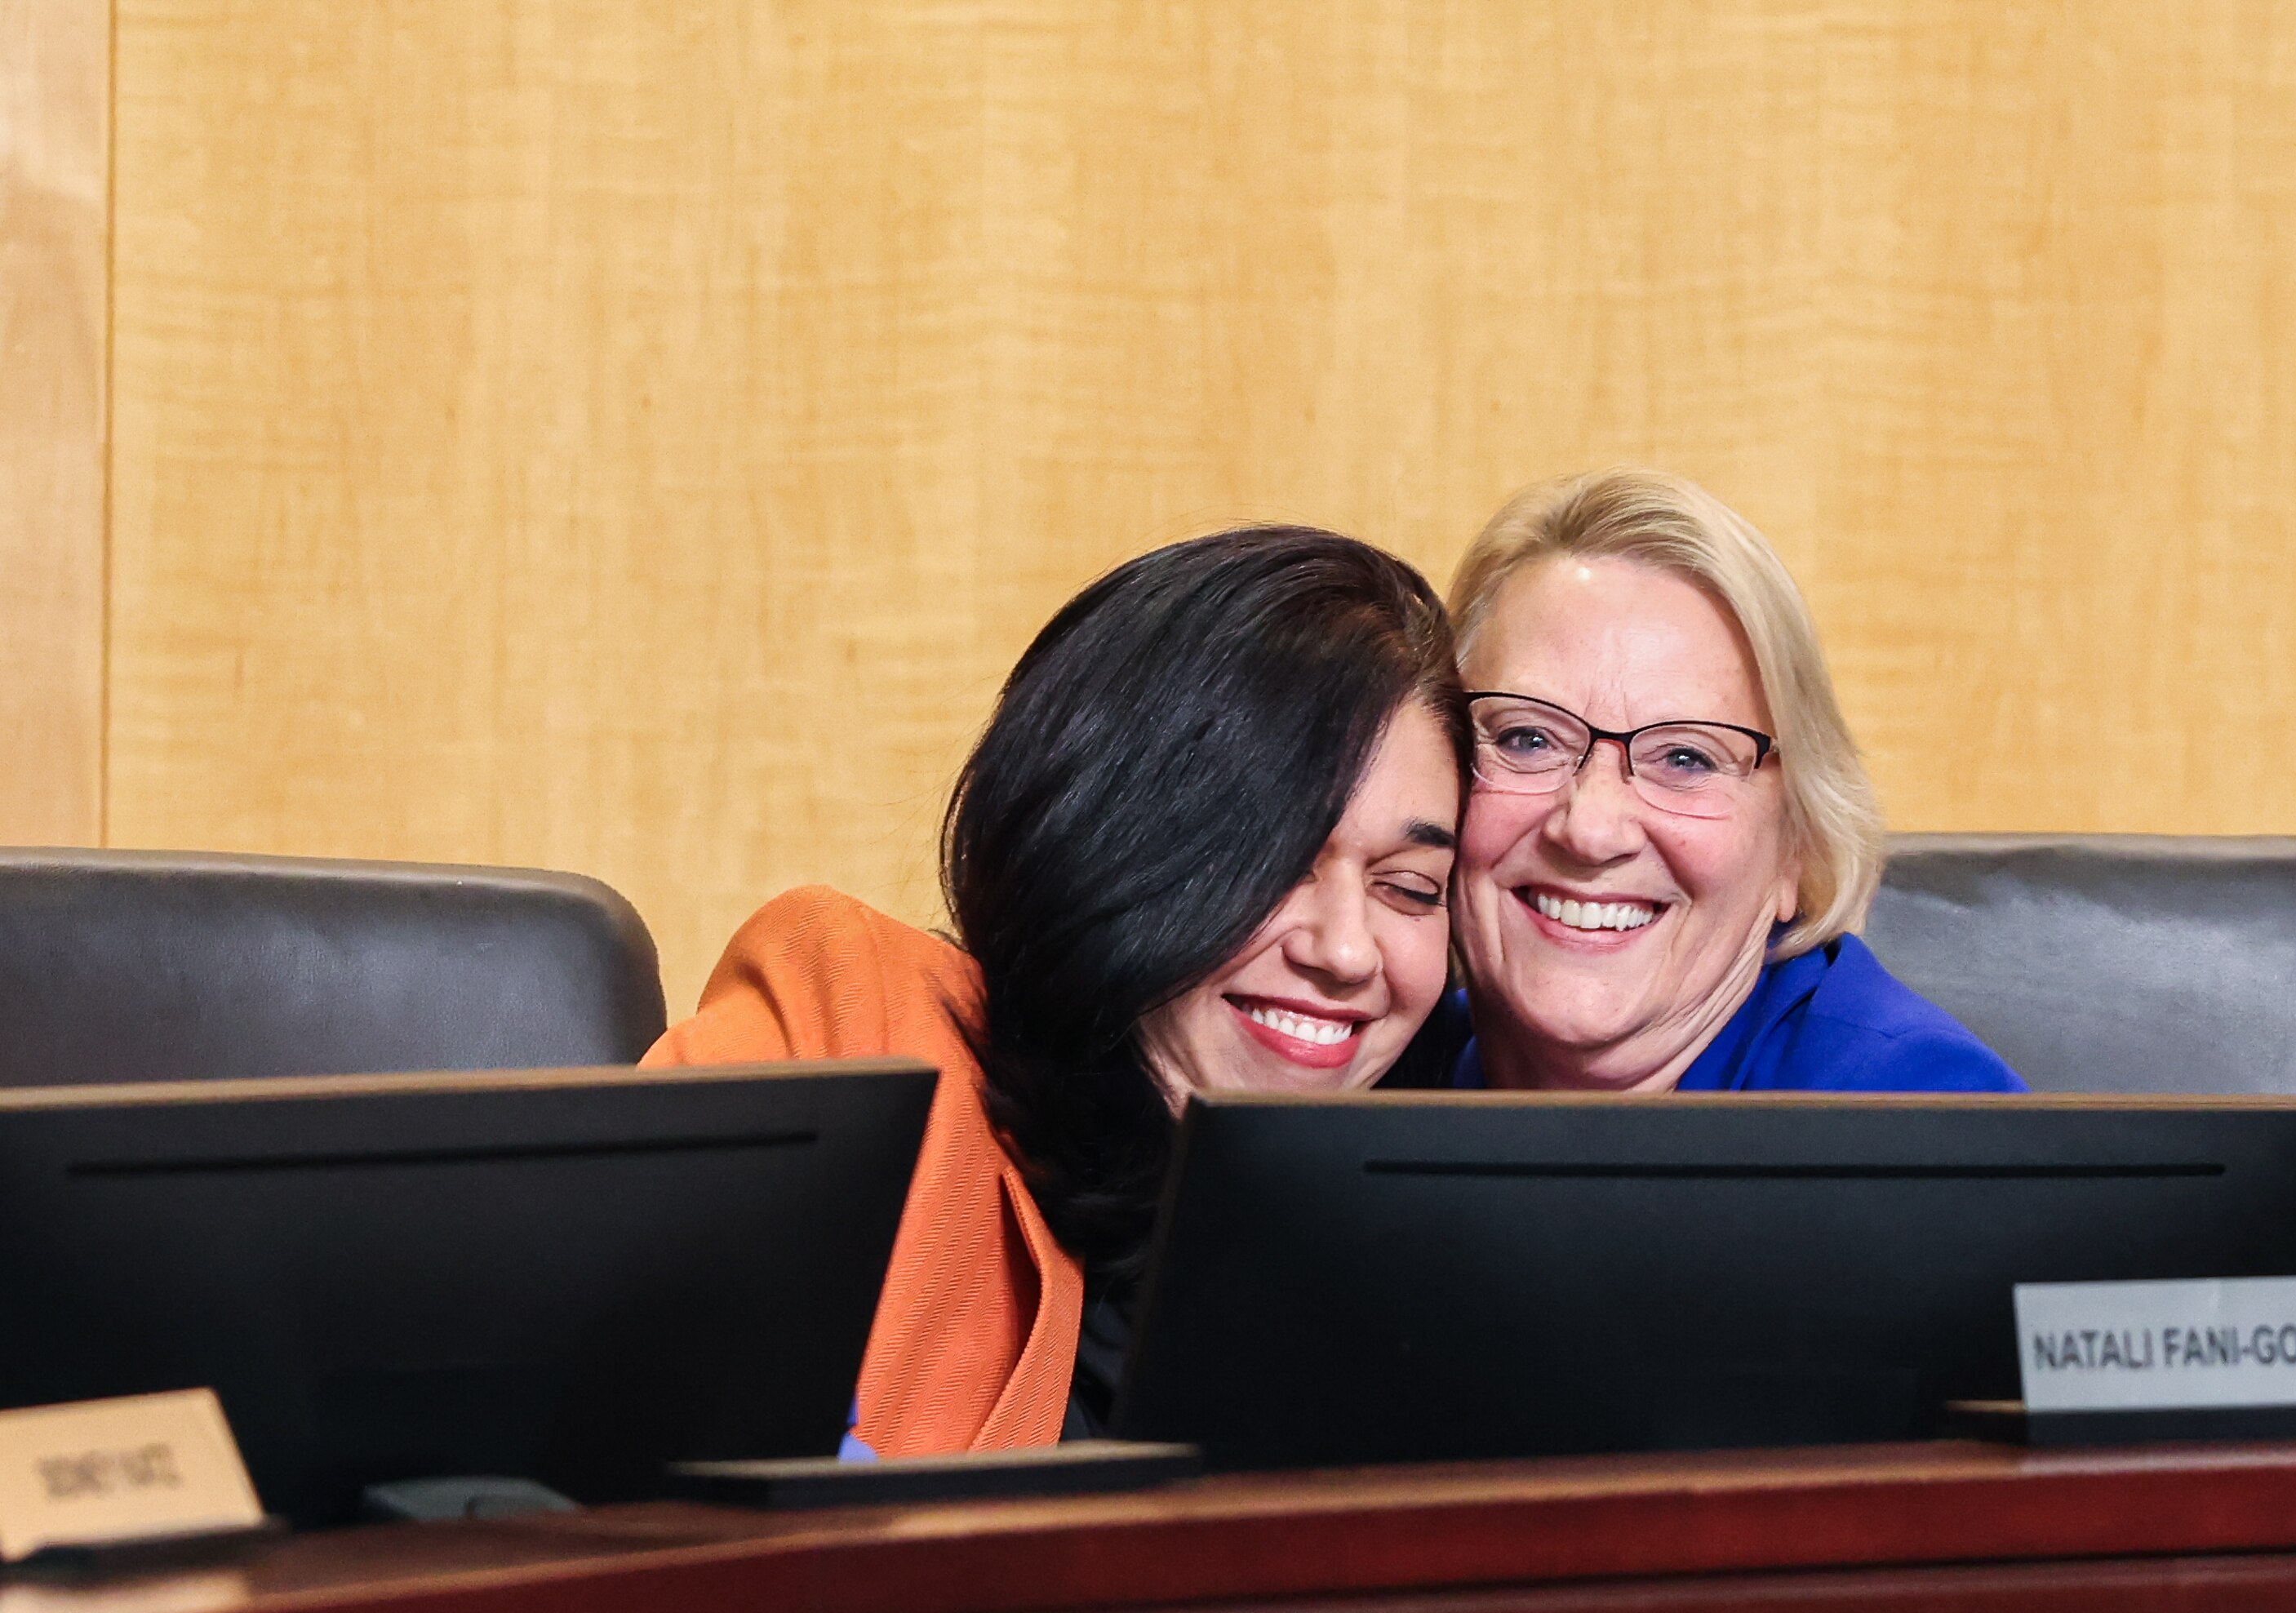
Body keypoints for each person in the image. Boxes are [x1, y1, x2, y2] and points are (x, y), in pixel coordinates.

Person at [647, 528, 1468, 1455]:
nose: (1349, 950)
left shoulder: (1428, 1263)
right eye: (1276, 863)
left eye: (1409, 888)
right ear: (1107, 833)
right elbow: (611, 1409)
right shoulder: (862, 1019)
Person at [1396, 468, 2022, 1094]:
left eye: (1686, 759)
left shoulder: (1917, 1114)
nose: (1590, 828)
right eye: (1527, 739)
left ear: (1798, 846)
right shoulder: (1382, 1064)